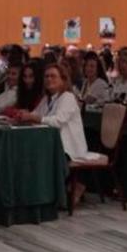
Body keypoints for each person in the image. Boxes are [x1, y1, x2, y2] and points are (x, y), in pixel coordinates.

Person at [16, 63, 96, 205]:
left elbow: (58, 121)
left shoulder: (68, 98)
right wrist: (25, 114)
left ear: (63, 80)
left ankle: (46, 196)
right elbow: (35, 113)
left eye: (53, 76)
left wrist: (35, 118)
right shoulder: (47, 98)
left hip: (68, 148)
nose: (49, 79)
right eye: (46, 76)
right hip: (51, 145)